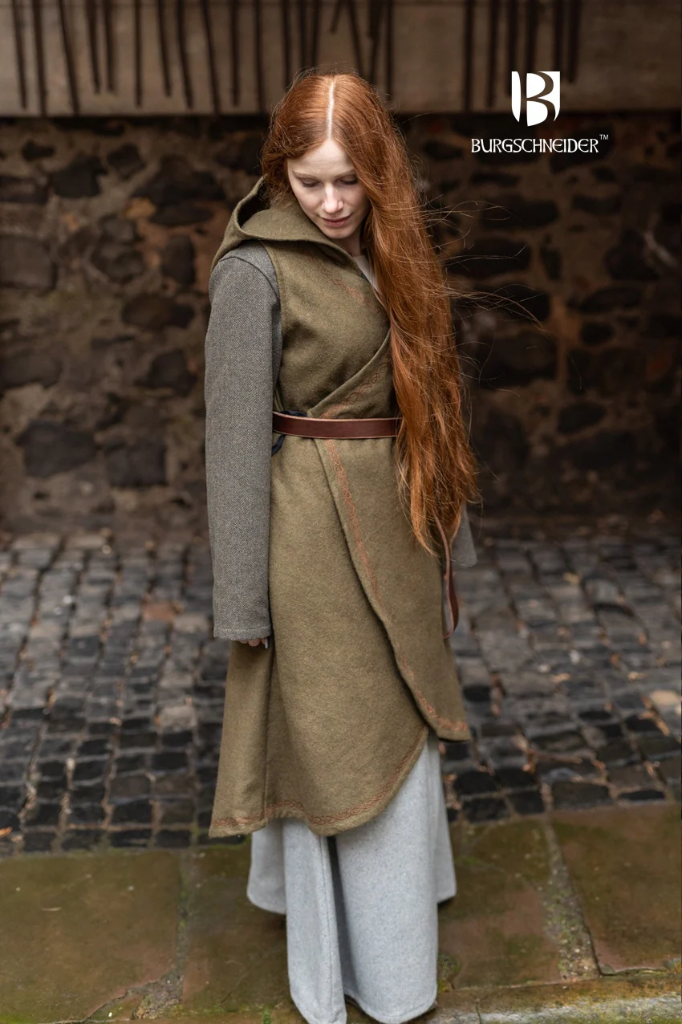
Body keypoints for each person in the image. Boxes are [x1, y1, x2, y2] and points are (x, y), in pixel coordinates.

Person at [204, 70, 480, 1024]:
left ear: (379, 174)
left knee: (404, 704)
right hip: (309, 537)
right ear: (280, 170)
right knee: (331, 730)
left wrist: (449, 539)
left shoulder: (393, 250)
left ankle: (402, 913)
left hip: (398, 516)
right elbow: (233, 444)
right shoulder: (252, 271)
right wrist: (243, 600)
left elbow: (433, 406)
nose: (330, 202)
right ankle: (365, 969)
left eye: (350, 180)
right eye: (311, 179)